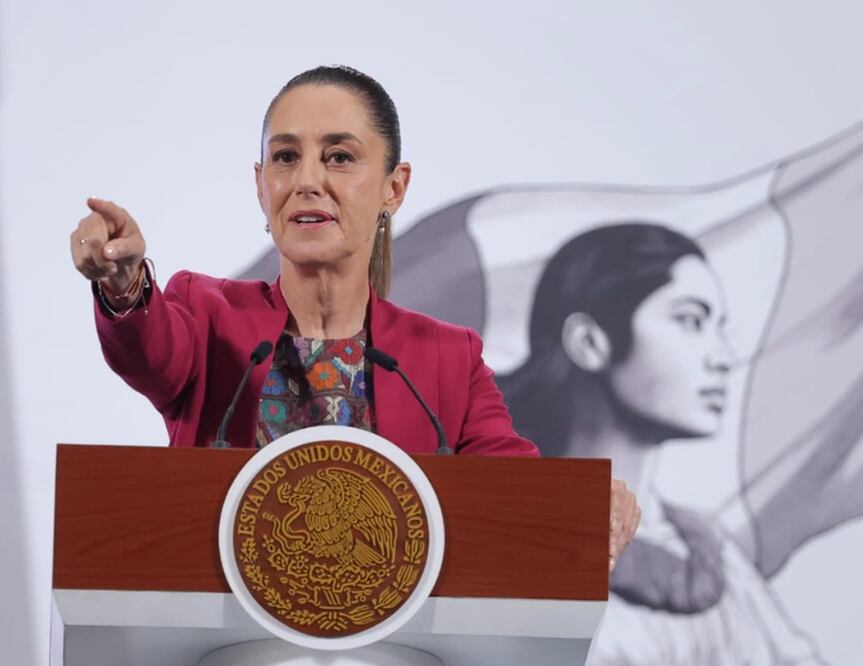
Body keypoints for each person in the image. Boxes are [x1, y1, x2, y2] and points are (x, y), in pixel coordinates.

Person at [68, 65, 639, 568]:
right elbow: (151, 348)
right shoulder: (207, 314)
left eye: (339, 157)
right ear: (261, 185)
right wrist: (123, 285)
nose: (307, 181)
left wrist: (593, 504)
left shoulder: (445, 358)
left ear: (394, 187)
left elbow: (520, 496)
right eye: (285, 158)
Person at [500, 222, 824, 665]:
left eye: (719, 327)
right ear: (589, 343)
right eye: (690, 320)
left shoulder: (711, 550)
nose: (723, 357)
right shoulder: (508, 542)